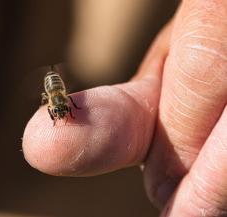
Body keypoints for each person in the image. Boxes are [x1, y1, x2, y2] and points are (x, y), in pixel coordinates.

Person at [23, 0, 227, 216]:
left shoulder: (64, 98)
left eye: (62, 109)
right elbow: (54, 102)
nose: (63, 111)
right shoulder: (54, 101)